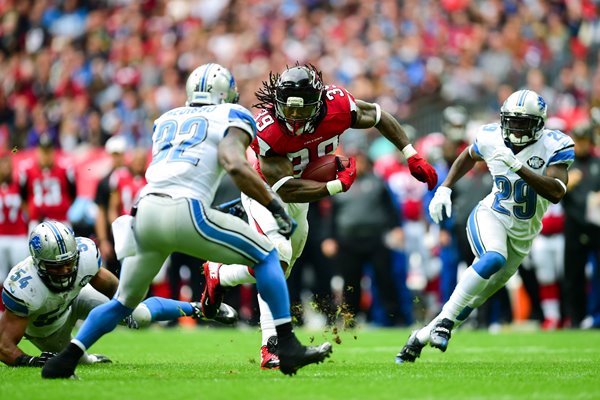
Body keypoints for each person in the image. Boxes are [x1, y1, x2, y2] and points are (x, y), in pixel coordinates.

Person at [41, 63, 332, 379]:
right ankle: (285, 343)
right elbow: (235, 165)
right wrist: (274, 205)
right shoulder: (232, 115)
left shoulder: (165, 119)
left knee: (124, 302)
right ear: (227, 92)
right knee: (268, 255)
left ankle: (66, 358)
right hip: (185, 211)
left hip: (146, 213)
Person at [201, 63, 437, 369]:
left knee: (283, 266)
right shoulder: (268, 129)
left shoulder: (337, 105)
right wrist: (336, 185)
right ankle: (271, 347)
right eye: (290, 110)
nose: (296, 118)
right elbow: (285, 189)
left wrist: (411, 154)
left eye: (303, 110)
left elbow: (378, 115)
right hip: (266, 192)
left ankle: (220, 274)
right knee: (277, 256)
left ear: (319, 102)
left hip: (305, 193)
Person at [395, 89, 574, 363]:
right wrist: (444, 188)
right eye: (511, 120)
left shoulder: (555, 145)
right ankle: (443, 324)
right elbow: (468, 155)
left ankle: (419, 338)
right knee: (492, 257)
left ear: (538, 123)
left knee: (475, 300)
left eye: (522, 122)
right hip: (491, 215)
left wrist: (518, 167)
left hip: (524, 233)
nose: (515, 128)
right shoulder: (491, 136)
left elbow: (557, 191)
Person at [0, 220, 237, 367]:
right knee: (78, 362)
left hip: (77, 300)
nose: (65, 271)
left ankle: (199, 308)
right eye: (56, 267)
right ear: (40, 263)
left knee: (140, 315)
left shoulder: (84, 256)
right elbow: (4, 345)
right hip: (48, 329)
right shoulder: (25, 286)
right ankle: (89, 358)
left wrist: (127, 304)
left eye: (69, 263)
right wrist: (29, 361)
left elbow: (117, 290)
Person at [19, 134, 77, 232]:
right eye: (43, 151)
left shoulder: (65, 168)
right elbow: (22, 197)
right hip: (37, 222)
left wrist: (61, 209)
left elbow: (73, 194)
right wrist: (32, 214)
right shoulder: (27, 170)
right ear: (37, 151)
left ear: (53, 151)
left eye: (48, 151)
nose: (46, 155)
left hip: (61, 221)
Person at [94, 136, 128, 276]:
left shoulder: (134, 175)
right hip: (114, 237)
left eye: (119, 154)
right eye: (114, 155)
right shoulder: (104, 182)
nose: (117, 158)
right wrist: (103, 240)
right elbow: (101, 212)